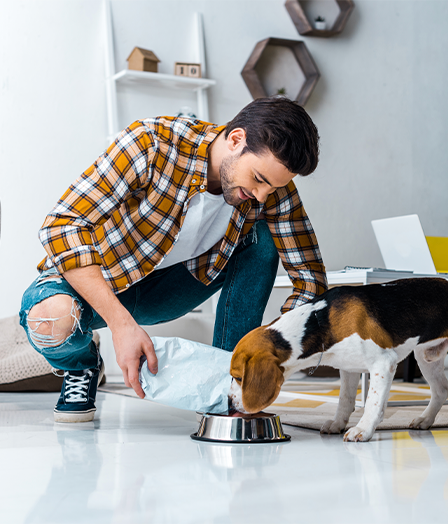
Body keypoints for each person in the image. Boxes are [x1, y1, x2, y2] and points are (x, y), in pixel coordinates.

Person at [19, 97, 327, 422]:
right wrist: (121, 325)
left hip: (172, 288)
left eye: (274, 187)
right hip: (103, 283)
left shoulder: (270, 191)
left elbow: (309, 278)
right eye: (260, 179)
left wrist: (276, 347)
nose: (263, 195)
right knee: (50, 321)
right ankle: (82, 366)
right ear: (236, 139)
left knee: (261, 238)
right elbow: (62, 225)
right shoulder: (150, 143)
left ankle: (229, 386)